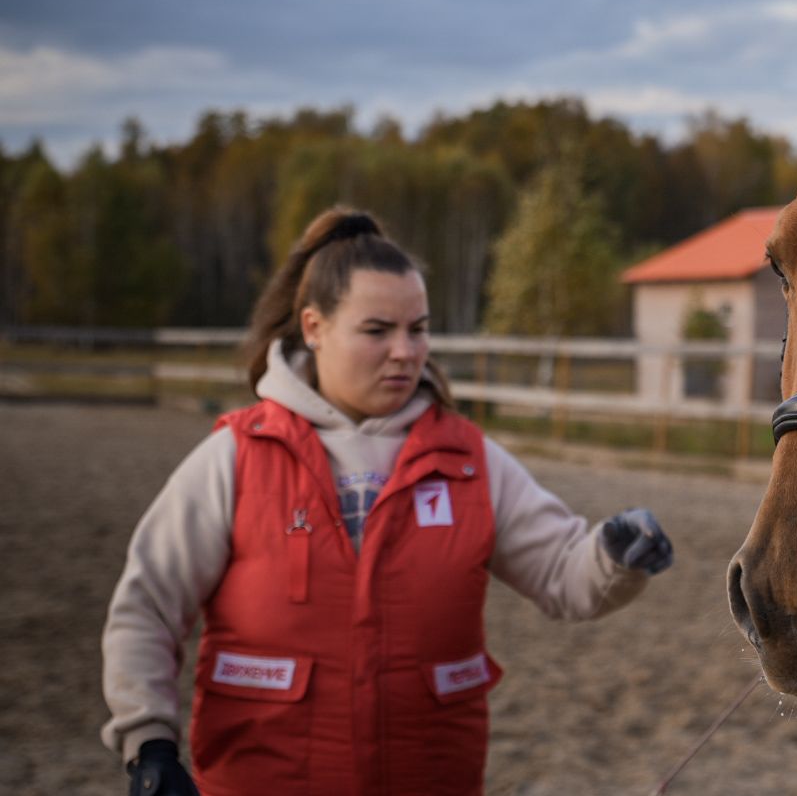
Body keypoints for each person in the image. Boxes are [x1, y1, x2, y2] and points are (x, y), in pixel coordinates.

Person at [102, 208, 674, 796]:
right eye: (378, 331)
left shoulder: (470, 462)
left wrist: (613, 553)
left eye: (418, 329)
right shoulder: (235, 457)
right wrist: (149, 742)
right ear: (314, 327)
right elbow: (148, 606)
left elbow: (561, 573)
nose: (405, 351)